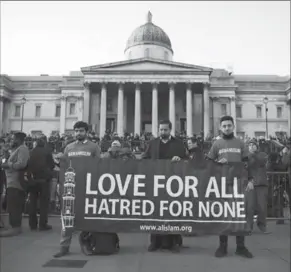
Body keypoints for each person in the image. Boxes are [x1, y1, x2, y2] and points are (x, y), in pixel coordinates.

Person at [207, 115, 253, 258]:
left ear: (233, 126)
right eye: (224, 126)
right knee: (224, 217)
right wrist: (217, 163)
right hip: (223, 185)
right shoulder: (216, 144)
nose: (227, 128)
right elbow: (208, 164)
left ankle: (241, 246)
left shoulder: (241, 143)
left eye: (229, 125)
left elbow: (248, 164)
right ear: (220, 128)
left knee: (240, 216)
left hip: (239, 185)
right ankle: (222, 247)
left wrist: (251, 180)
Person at [53, 121, 101, 258]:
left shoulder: (94, 147)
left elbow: (99, 165)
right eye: (76, 131)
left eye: (81, 131)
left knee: (86, 219)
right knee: (67, 218)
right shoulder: (68, 147)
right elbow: (64, 165)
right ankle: (64, 247)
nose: (78, 133)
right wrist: (60, 159)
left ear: (86, 132)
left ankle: (85, 245)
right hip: (71, 188)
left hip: (87, 187)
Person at [142, 120, 187, 253]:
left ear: (170, 130)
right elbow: (145, 158)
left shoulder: (179, 144)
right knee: (156, 213)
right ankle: (155, 242)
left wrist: (180, 160)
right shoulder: (152, 143)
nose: (162, 132)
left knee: (172, 212)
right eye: (161, 130)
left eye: (165, 130)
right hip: (156, 183)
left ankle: (173, 242)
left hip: (174, 183)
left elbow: (187, 160)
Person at [0, 132, 30, 237]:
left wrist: (7, 165)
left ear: (19, 139)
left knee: (15, 205)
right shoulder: (16, 149)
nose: (11, 141)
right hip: (11, 182)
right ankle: (14, 226)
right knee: (12, 205)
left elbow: (22, 164)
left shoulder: (22, 149)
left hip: (16, 182)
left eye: (13, 139)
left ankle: (16, 228)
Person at [27, 137, 55, 231]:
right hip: (44, 180)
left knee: (33, 202)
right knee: (44, 203)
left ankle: (32, 224)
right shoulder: (47, 151)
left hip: (33, 180)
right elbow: (52, 165)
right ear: (44, 143)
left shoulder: (31, 152)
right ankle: (43, 224)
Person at [247, 139, 269, 233]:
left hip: (261, 184)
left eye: (253, 145)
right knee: (249, 207)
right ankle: (248, 227)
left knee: (262, 207)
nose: (251, 146)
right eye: (250, 145)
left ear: (257, 146)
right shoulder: (246, 156)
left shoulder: (262, 154)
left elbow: (260, 161)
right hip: (250, 184)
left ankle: (262, 225)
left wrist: (251, 154)